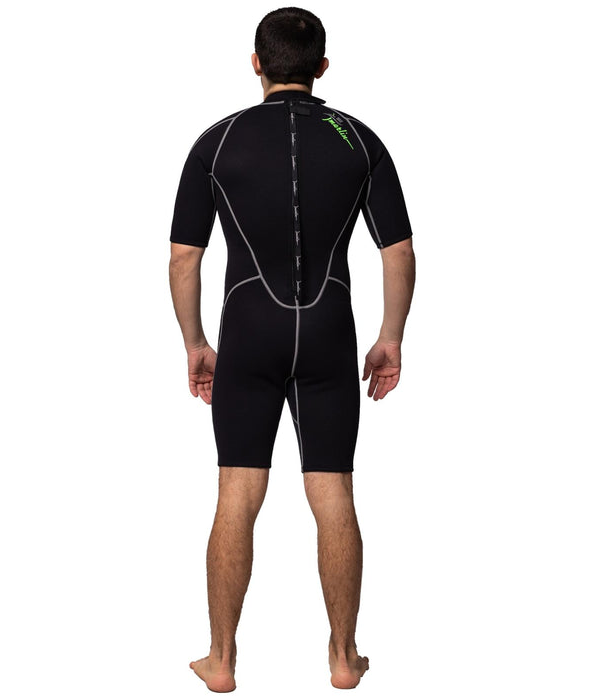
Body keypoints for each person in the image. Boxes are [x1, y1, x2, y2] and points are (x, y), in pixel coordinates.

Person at [168, 7, 416, 691]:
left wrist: (195, 341)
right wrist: (390, 337)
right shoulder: (358, 139)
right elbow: (398, 250)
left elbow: (184, 257)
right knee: (332, 491)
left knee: (237, 491)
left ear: (256, 63)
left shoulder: (217, 142)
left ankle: (222, 659)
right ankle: (343, 657)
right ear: (322, 68)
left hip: (248, 331)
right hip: (330, 333)